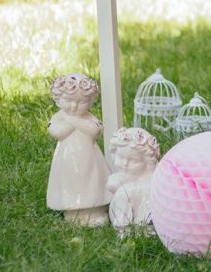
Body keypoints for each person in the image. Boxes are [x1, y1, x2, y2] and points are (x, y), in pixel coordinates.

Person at [46, 73, 111, 225]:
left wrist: (74, 121)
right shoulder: (59, 116)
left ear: (90, 102)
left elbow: (95, 130)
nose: (74, 106)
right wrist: (72, 123)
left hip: (89, 157)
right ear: (58, 99)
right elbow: (56, 131)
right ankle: (73, 210)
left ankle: (95, 208)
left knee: (92, 180)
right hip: (66, 157)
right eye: (69, 101)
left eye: (81, 102)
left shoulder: (88, 117)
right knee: (70, 181)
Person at [106, 127, 161, 235]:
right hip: (122, 210)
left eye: (134, 161)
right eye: (121, 157)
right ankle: (123, 227)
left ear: (147, 162)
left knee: (125, 192)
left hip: (142, 213)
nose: (125, 164)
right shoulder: (126, 175)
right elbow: (111, 184)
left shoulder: (152, 179)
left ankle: (138, 228)